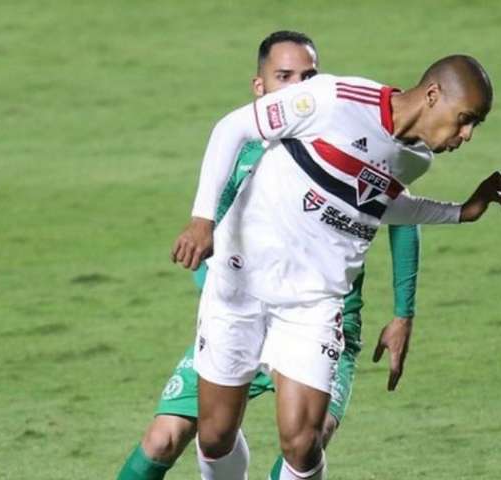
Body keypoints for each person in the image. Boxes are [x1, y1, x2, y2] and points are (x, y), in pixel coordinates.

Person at [180, 53, 501, 480]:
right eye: (465, 119)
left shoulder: (416, 159)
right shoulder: (335, 99)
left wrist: (460, 212)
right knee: (215, 435)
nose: (466, 135)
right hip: (241, 282)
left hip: (313, 302)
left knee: (302, 443)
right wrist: (202, 220)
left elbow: (375, 203)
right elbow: (233, 128)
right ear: (433, 95)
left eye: (474, 125)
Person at [117, 31, 422, 480]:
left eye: (308, 76)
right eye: (284, 77)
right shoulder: (241, 149)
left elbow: (402, 212)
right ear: (259, 87)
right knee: (168, 438)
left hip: (318, 317)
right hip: (245, 311)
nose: (299, 87)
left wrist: (402, 314)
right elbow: (217, 225)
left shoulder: (340, 133)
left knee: (305, 443)